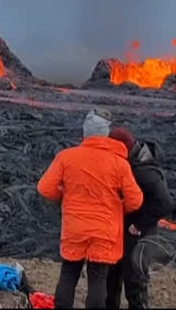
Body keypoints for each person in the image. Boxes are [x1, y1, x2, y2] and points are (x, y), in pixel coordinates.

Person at [37, 109, 144, 309]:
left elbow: (45, 188)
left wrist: (63, 197)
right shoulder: (119, 163)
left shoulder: (66, 157)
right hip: (104, 230)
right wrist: (118, 208)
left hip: (74, 227)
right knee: (98, 279)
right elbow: (135, 200)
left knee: (69, 273)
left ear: (84, 134)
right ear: (106, 134)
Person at [106, 127, 174, 309]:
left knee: (134, 282)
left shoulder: (144, 172)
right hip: (124, 231)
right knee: (112, 277)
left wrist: (139, 225)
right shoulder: (134, 163)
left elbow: (165, 203)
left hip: (138, 235)